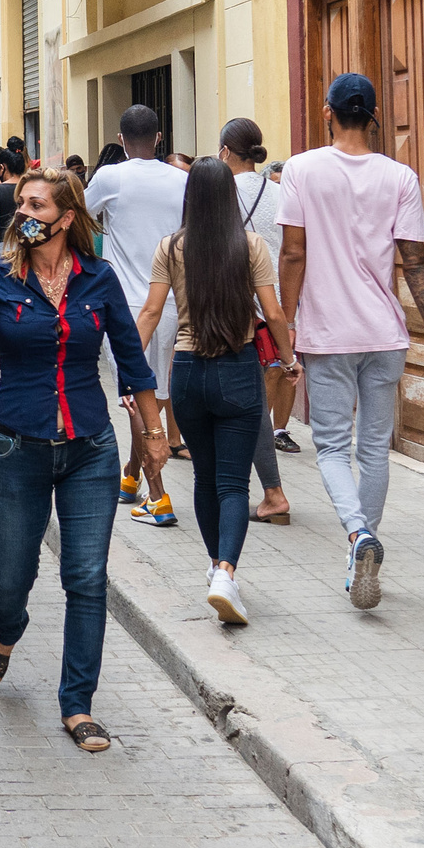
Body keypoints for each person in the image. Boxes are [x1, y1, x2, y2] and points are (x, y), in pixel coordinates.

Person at [0, 169, 160, 753]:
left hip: (91, 450)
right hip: (16, 448)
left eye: (34, 204)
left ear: (66, 218)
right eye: (21, 202)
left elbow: (132, 362)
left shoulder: (97, 281)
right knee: (11, 578)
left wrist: (153, 434)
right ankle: (7, 634)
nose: (21, 212)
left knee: (85, 578)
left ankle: (77, 704)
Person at [279, 73, 424, 610]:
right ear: (372, 116)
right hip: (385, 334)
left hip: (328, 334)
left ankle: (357, 536)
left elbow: (292, 254)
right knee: (373, 449)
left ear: (328, 112)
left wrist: (287, 323)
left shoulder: (302, 169)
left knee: (331, 447)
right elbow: (415, 260)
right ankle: (362, 550)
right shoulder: (400, 176)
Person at [133, 160, 299, 624]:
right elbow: (275, 312)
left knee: (205, 480)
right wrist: (288, 360)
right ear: (231, 197)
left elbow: (149, 313)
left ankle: (214, 569)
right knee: (232, 485)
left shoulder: (171, 247)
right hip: (239, 370)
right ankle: (226, 572)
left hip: (187, 373)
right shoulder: (250, 246)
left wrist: (130, 371)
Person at [85, 106, 188, 528]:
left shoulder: (110, 177)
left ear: (121, 139)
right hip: (172, 303)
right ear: (159, 138)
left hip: (128, 307)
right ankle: (130, 476)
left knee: (135, 400)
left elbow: (82, 215)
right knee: (156, 395)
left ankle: (159, 496)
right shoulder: (183, 180)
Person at [220, 119, 297, 523]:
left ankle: (261, 492)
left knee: (243, 407)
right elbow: (294, 251)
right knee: (262, 398)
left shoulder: (220, 191)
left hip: (237, 312)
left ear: (225, 152)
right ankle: (269, 490)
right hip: (277, 308)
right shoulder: (281, 192)